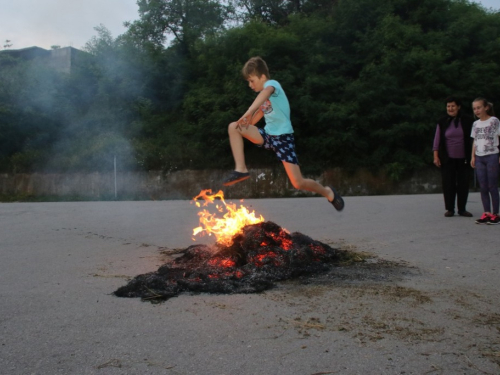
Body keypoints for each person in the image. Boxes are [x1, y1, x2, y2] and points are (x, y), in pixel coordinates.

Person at [222, 56, 344, 211]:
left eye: (252, 80)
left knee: (298, 183)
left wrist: (248, 112)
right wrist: (247, 121)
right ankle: (241, 169)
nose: (250, 85)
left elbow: (265, 94)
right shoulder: (264, 101)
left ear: (263, 76)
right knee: (234, 127)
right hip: (268, 136)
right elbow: (252, 121)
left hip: (283, 139)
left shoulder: (272, 85)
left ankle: (328, 192)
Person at [433, 96, 474, 217]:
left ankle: (462, 209)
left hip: (464, 157)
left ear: (458, 107)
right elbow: (437, 140)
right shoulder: (442, 121)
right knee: (448, 183)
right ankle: (450, 208)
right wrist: (436, 156)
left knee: (463, 183)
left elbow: (473, 139)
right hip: (447, 157)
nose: (450, 108)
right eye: (448, 106)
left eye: (453, 106)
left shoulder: (467, 120)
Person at [470, 98, 500, 225]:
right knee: (483, 187)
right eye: (474, 108)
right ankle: (486, 213)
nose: (476, 110)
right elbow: (475, 141)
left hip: (492, 155)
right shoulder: (475, 124)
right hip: (479, 157)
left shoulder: (494, 121)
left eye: (479, 107)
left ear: (486, 107)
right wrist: (473, 157)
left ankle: (496, 214)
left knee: (492, 185)